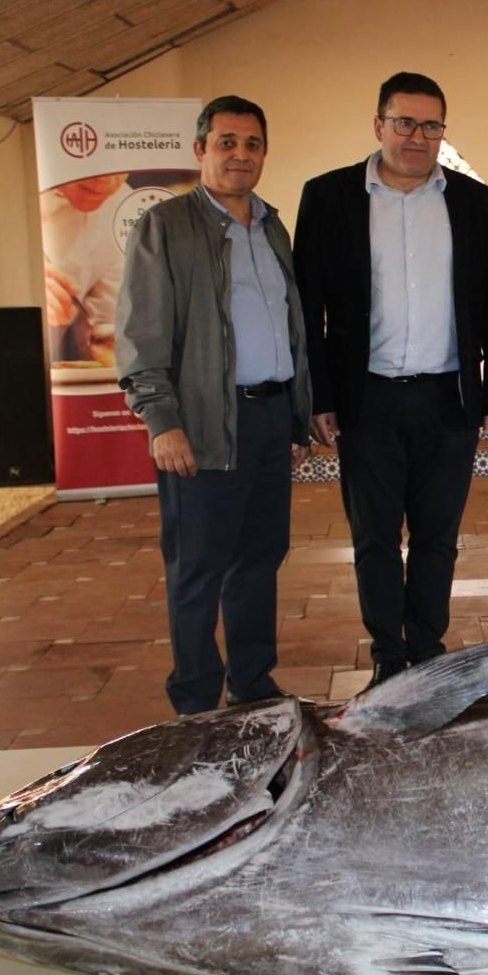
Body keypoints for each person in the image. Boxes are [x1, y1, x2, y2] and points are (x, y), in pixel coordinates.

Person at [293, 72, 488, 689]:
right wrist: (319, 396)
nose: (417, 137)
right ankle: (388, 654)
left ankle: (428, 646)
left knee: (438, 537)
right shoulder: (329, 197)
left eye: (431, 125)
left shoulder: (472, 202)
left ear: (443, 132)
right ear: (378, 125)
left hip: (449, 398)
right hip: (369, 399)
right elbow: (307, 310)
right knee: (374, 537)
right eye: (404, 123)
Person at [115, 95, 312, 715]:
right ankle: (196, 702)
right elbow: (142, 333)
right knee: (199, 566)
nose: (240, 154)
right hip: (201, 423)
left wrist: (296, 417)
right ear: (200, 150)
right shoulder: (166, 225)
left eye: (252, 144)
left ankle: (253, 685)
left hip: (268, 416)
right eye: (227, 142)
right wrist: (161, 421)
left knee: (259, 558)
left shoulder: (272, 225)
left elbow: (288, 326)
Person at [41, 172, 128, 365]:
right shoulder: (15, 189)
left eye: (118, 166)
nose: (104, 179)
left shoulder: (122, 213)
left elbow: (108, 332)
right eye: (93, 163)